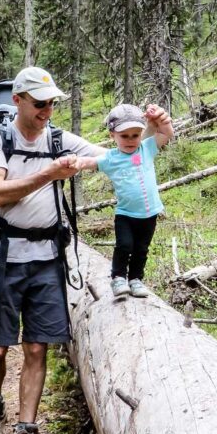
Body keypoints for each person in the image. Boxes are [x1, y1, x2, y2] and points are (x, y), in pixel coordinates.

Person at [0, 67, 169, 434]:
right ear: (18, 100)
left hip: (46, 256)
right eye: (40, 103)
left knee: (38, 348)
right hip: (1, 256)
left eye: (52, 103)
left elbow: (120, 153)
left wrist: (152, 129)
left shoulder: (59, 139)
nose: (47, 110)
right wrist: (49, 174)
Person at [73, 103, 174, 298]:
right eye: (124, 136)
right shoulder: (111, 158)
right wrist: (75, 162)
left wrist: (162, 119)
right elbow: (89, 162)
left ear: (141, 133)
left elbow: (166, 134)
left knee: (141, 249)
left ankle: (136, 279)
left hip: (149, 213)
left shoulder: (146, 149)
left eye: (135, 135)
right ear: (113, 135)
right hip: (126, 214)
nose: (130, 140)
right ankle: (118, 277)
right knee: (125, 245)